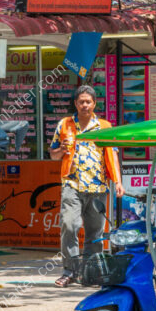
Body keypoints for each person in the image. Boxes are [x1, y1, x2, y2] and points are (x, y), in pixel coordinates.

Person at [53, 85, 123, 287]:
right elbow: (53, 153)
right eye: (81, 101)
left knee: (95, 232)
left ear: (94, 104)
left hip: (98, 186)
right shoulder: (65, 124)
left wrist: (117, 182)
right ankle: (70, 271)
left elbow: (112, 155)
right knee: (69, 225)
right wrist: (61, 151)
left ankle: (90, 272)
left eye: (88, 101)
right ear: (75, 103)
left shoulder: (104, 127)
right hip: (72, 183)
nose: (85, 105)